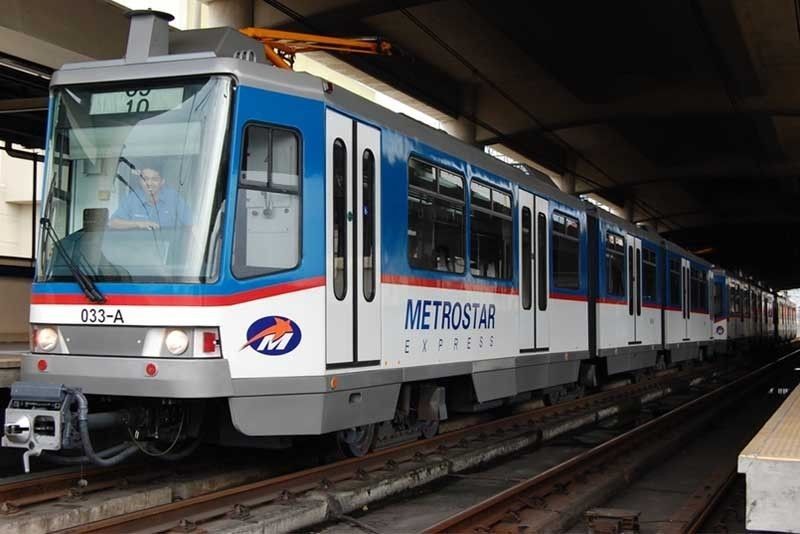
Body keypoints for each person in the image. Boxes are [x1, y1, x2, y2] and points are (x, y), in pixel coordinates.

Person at [109, 167, 191, 230]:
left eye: (154, 179)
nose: (149, 183)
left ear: (162, 182)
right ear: (140, 181)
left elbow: (192, 224)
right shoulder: (133, 198)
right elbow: (113, 223)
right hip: (137, 249)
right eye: (145, 179)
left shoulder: (173, 198)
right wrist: (139, 224)